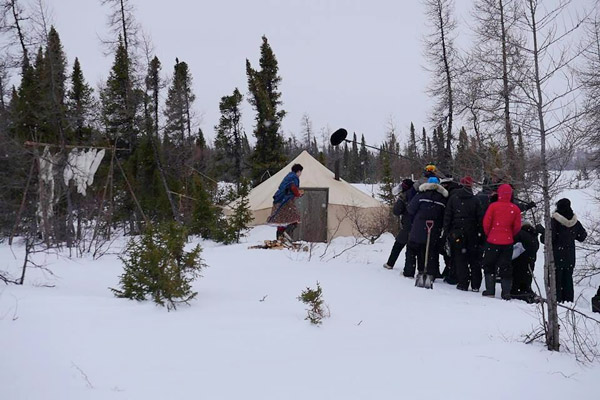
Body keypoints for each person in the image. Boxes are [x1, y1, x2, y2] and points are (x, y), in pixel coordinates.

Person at [539, 198, 587, 303]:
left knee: (556, 280)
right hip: (570, 255)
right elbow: (582, 236)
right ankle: (569, 301)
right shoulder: (575, 222)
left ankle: (557, 301)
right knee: (568, 279)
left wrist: (542, 232)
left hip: (556, 255)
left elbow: (548, 239)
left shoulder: (554, 221)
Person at [443, 176, 484, 291]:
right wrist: (481, 233)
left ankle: (463, 283)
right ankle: (475, 285)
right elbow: (480, 219)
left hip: (457, 232)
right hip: (472, 232)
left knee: (460, 258)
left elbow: (448, 216)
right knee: (474, 259)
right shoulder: (475, 200)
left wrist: (447, 231)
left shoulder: (454, 198)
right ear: (471, 186)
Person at [481, 184, 522, 299]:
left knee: (489, 265)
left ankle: (490, 290)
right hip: (507, 241)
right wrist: (509, 234)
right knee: (506, 267)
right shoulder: (515, 208)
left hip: (492, 240)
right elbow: (517, 227)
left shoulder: (493, 207)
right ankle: (506, 293)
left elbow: (486, 223)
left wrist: (490, 234)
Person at [407, 176, 448, 288]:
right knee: (430, 251)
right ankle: (430, 272)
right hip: (434, 229)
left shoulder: (420, 196)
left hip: (418, 228)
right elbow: (444, 215)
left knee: (417, 249)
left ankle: (419, 271)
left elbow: (411, 209)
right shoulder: (442, 199)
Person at [383, 179, 417, 273]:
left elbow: (396, 211)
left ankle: (390, 263)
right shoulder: (418, 194)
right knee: (417, 248)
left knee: (398, 244)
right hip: (419, 225)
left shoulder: (405, 196)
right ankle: (422, 269)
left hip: (408, 224)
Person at [268, 164, 304, 241]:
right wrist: (298, 193)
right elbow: (292, 187)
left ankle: (280, 238)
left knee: (282, 220)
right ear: (298, 171)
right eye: (301, 172)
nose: (301, 174)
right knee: (294, 218)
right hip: (285, 201)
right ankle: (284, 235)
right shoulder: (293, 177)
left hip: (279, 199)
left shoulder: (288, 177)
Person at [510, 221, 539, 303]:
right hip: (531, 261)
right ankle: (527, 291)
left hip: (519, 261)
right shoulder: (534, 237)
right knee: (527, 278)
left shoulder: (520, 234)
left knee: (517, 278)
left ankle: (517, 292)